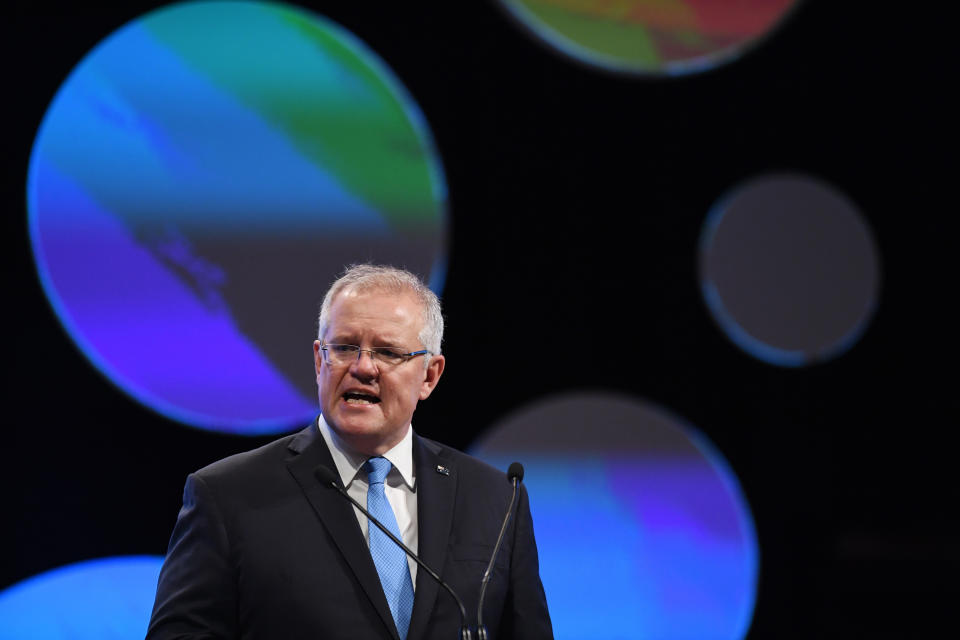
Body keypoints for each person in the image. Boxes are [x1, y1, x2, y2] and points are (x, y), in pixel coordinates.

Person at [146, 264, 553, 640]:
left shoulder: (495, 499)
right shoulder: (227, 496)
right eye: (344, 347)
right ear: (319, 360)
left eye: (388, 352)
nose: (362, 367)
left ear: (430, 375)